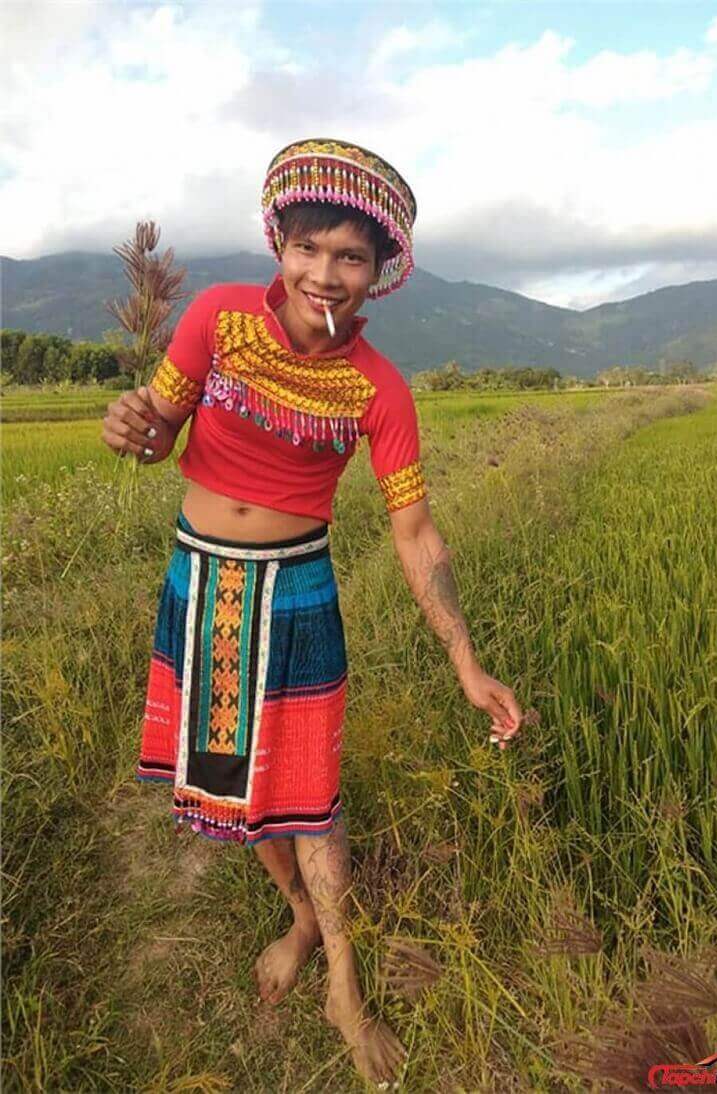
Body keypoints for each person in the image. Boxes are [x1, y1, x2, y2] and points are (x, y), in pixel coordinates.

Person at [101, 137, 523, 1089]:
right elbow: (159, 433)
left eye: (350, 257)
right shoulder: (215, 320)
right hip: (203, 587)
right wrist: (129, 426)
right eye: (308, 248)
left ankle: (343, 982)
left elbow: (416, 532)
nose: (324, 275)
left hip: (297, 598)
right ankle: (299, 919)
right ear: (280, 247)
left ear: (381, 274)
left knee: (310, 796)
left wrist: (465, 661)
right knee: (239, 789)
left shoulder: (379, 389)